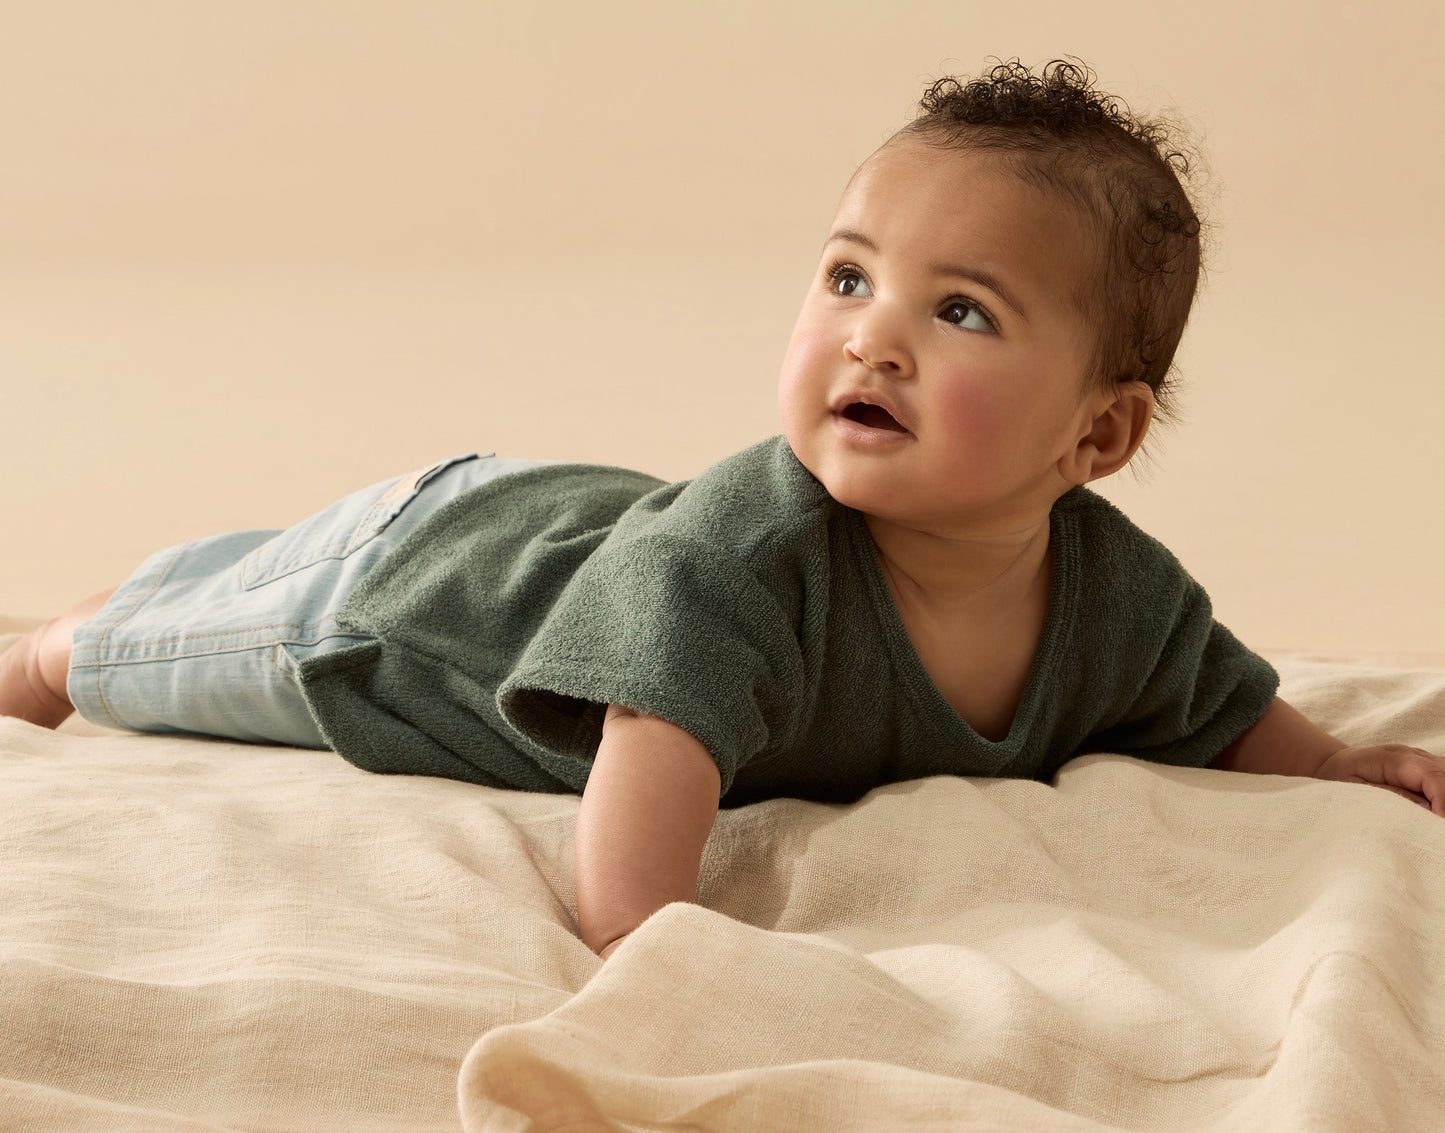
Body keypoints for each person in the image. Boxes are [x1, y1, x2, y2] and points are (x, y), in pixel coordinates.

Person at [5, 56, 1442, 968]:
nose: (871, 339)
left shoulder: (1111, 593)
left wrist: (1339, 764)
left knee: (212, 592)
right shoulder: (737, 572)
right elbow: (630, 873)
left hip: (580, 524)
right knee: (166, 643)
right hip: (414, 597)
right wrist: (656, 946)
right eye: (845, 279)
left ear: (1098, 433)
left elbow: (1214, 701)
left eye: (958, 311)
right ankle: (39, 649)